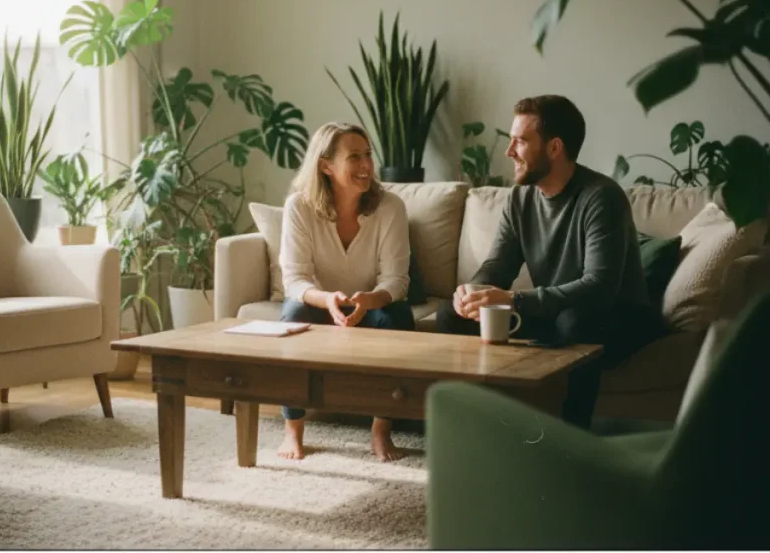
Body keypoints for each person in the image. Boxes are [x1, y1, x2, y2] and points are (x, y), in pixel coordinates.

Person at [435, 95, 663, 430]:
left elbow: (599, 287)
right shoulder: (521, 198)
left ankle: (574, 440)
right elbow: (498, 265)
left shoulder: (601, 197)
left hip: (617, 315)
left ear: (554, 147)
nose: (509, 151)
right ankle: (475, 426)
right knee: (449, 314)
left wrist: (513, 300)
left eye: (521, 141)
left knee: (574, 324)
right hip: (556, 313)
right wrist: (472, 291)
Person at [277, 121, 416, 462]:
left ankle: (381, 430)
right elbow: (294, 280)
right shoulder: (299, 207)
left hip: (370, 306)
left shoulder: (390, 207)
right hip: (319, 302)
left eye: (368, 155)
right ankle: (293, 430)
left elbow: (397, 280)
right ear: (326, 165)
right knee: (293, 315)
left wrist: (371, 300)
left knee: (398, 316)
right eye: (354, 157)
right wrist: (326, 299)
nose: (366, 165)